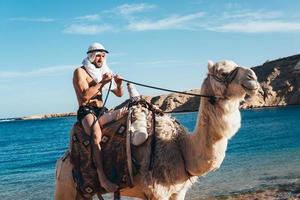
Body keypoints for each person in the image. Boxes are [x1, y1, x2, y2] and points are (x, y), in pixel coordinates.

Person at [73, 42, 124, 193]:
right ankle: (102, 178)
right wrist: (102, 82)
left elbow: (119, 94)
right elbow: (84, 97)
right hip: (86, 110)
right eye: (98, 55)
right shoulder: (80, 72)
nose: (101, 58)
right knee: (96, 133)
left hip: (101, 109)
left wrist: (119, 84)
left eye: (103, 56)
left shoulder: (104, 71)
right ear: (91, 56)